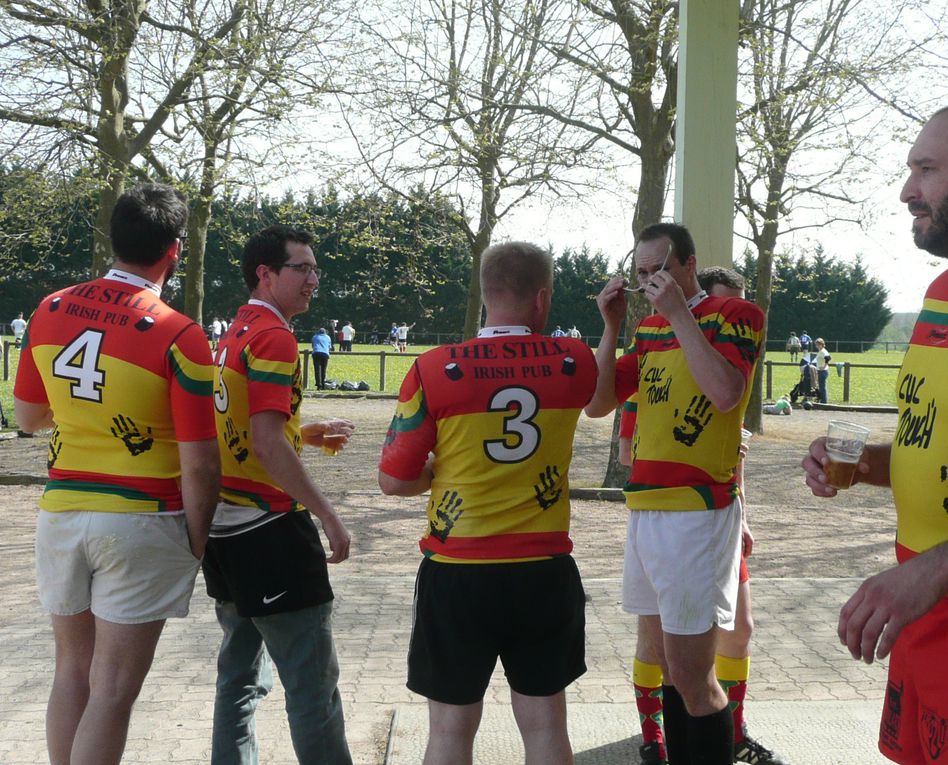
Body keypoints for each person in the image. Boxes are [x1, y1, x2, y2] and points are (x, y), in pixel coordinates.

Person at [802, 97, 948, 765]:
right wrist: (864, 463)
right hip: (918, 610)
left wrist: (947, 561)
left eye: (925, 169)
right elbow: (947, 442)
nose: (906, 191)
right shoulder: (940, 291)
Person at [12, 183, 220, 765]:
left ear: (114, 236)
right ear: (174, 250)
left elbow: (28, 418)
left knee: (71, 673)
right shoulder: (181, 333)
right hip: (141, 519)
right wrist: (196, 539)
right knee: (112, 692)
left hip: (61, 513)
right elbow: (201, 460)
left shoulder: (49, 308)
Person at [379, 241, 598, 765]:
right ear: (542, 298)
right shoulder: (574, 361)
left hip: (457, 570)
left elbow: (393, 480)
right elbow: (604, 397)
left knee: (450, 731)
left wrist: (434, 475)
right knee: (546, 727)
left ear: (483, 294)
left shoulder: (432, 368)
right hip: (542, 569)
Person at [586, 223, 764, 765]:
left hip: (698, 508)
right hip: (647, 507)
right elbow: (597, 403)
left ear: (688, 263)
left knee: (692, 672)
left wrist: (683, 315)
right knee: (666, 663)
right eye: (640, 274)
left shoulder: (737, 316)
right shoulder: (652, 329)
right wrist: (613, 327)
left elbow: (726, 392)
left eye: (657, 271)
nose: (648, 284)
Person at [619, 265, 786, 765]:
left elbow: (733, 445)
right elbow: (626, 443)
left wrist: (744, 509)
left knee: (737, 631)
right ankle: (655, 737)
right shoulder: (663, 354)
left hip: (718, 514)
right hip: (670, 513)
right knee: (666, 652)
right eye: (721, 309)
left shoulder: (727, 361)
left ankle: (731, 731)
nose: (732, 325)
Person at [202, 224, 355, 765]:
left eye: (315, 268)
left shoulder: (235, 329)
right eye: (303, 268)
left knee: (238, 681)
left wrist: (302, 431)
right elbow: (266, 443)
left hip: (222, 531)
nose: (314, 279)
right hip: (268, 528)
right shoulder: (274, 337)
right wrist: (328, 515)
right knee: (313, 689)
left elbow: (238, 424)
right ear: (265, 274)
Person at [813, 337, 831, 404]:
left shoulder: (823, 351)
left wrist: (824, 366)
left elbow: (828, 358)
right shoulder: (821, 351)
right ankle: (823, 400)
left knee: (822, 387)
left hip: (822, 371)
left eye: (817, 344)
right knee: (821, 386)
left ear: (821, 344)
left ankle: (824, 401)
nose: (816, 346)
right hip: (821, 371)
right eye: (816, 344)